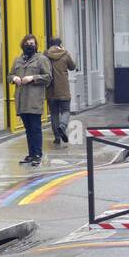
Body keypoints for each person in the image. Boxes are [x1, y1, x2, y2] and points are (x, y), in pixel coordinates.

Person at [10, 35, 52, 166]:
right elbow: (9, 75)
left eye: (32, 43)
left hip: (34, 99)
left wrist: (32, 78)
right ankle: (31, 154)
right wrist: (14, 78)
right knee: (28, 129)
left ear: (36, 45)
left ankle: (37, 154)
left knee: (35, 128)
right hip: (21, 99)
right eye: (27, 43)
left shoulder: (41, 59)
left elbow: (48, 77)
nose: (29, 45)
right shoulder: (17, 60)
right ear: (23, 44)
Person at [45, 37, 76, 145]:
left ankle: (57, 138)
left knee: (54, 113)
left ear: (50, 44)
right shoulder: (65, 55)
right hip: (63, 89)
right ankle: (62, 126)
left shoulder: (45, 56)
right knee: (65, 110)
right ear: (60, 44)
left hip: (50, 90)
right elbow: (73, 67)